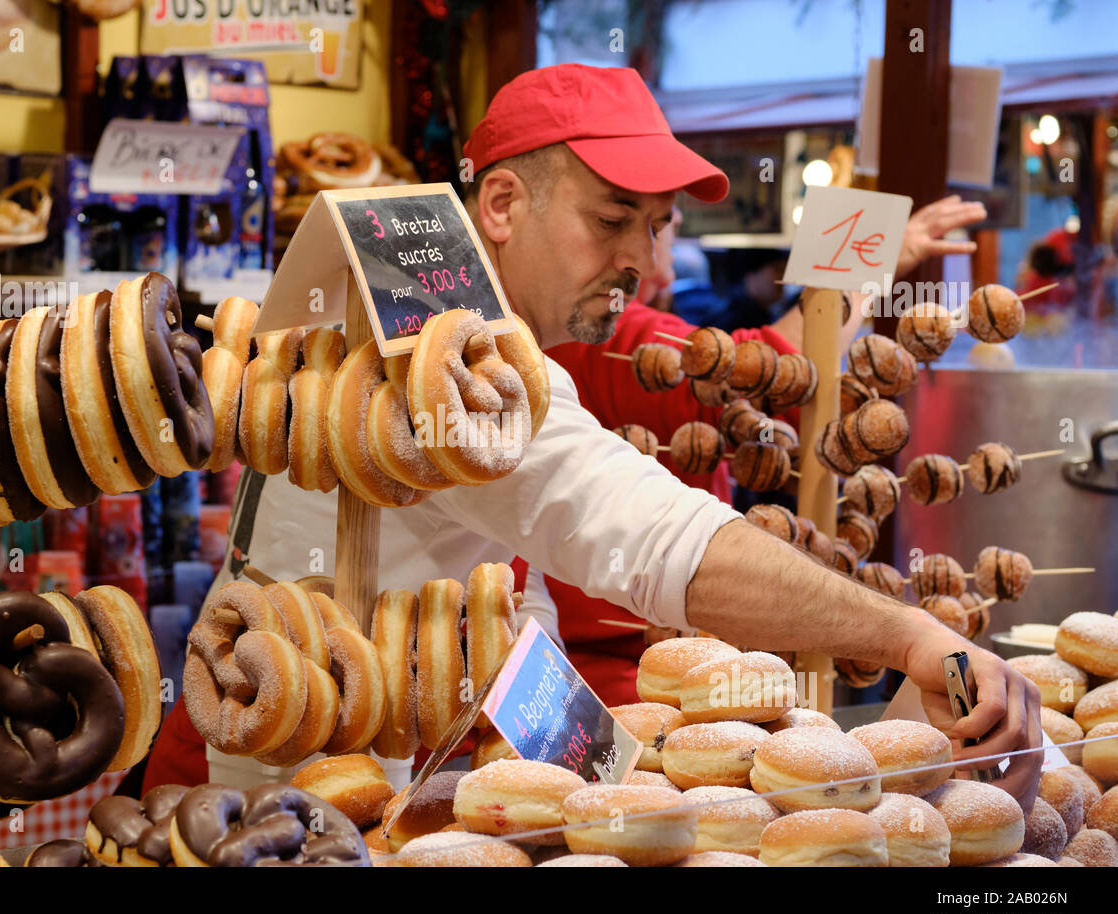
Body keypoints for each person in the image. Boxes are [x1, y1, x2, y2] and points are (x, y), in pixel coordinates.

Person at [144, 63, 1041, 812]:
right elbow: (658, 540)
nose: (644, 262)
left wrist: (607, 779)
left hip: (353, 779)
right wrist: (911, 636)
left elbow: (516, 601)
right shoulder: (441, 367)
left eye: (656, 226)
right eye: (613, 220)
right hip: (256, 796)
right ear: (502, 204)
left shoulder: (468, 337)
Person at [540, 197, 989, 705]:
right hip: (631, 672)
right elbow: (760, 377)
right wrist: (869, 268)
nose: (670, 227)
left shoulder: (600, 319)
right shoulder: (600, 326)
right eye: (652, 218)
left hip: (660, 644)